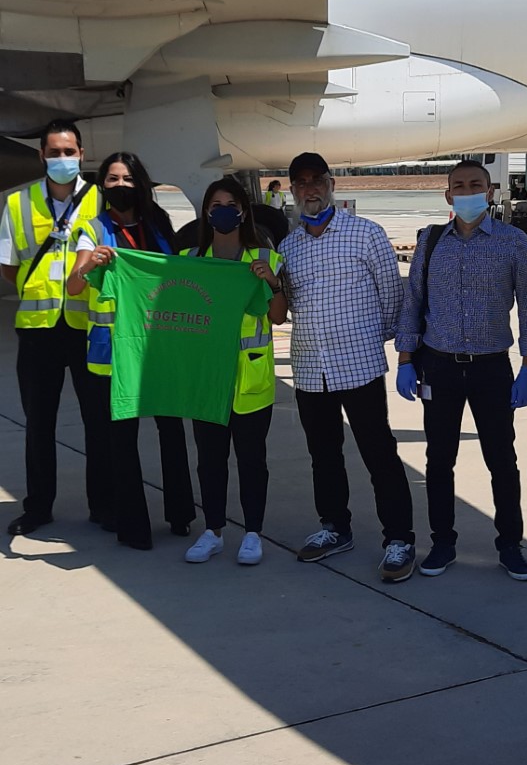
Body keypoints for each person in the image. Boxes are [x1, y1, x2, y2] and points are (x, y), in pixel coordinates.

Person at [395, 160, 527, 580]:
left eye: (475, 185)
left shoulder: (513, 243)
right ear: (447, 195)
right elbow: (414, 303)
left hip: (491, 368)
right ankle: (443, 543)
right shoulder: (430, 241)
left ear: (490, 191)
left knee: (502, 460)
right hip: (439, 367)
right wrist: (406, 360)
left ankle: (510, 544)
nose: (467, 191)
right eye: (458, 186)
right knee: (439, 460)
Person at [278, 152, 416, 582]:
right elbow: (287, 305)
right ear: (293, 191)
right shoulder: (288, 248)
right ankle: (334, 527)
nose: (309, 189)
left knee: (379, 454)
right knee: (324, 455)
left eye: (316, 180)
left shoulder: (366, 235)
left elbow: (392, 295)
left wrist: (378, 340)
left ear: (331, 183)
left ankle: (399, 539)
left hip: (358, 367)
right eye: (300, 183)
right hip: (309, 369)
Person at [68, 152, 196, 550]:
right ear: (101, 185)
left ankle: (180, 513)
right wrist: (88, 266)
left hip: (159, 347)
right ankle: (130, 522)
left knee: (171, 431)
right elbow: (73, 285)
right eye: (111, 180)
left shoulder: (158, 224)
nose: (119, 186)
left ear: (140, 184)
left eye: (126, 179)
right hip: (113, 353)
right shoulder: (92, 229)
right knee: (119, 440)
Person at [1, 119, 107, 535]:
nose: (62, 159)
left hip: (86, 325)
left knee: (98, 420)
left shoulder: (99, 200)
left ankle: (103, 504)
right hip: (38, 327)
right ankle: (38, 506)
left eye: (70, 151)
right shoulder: (18, 203)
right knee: (38, 423)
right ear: (41, 155)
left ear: (81, 154)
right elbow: (9, 269)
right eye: (55, 152)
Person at [180, 179, 287, 566]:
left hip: (250, 380)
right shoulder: (190, 259)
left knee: (251, 459)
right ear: (206, 212)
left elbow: (277, 317)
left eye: (230, 203)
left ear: (243, 211)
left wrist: (271, 283)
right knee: (209, 459)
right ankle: (212, 531)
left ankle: (253, 533)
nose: (223, 210)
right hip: (208, 379)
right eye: (215, 204)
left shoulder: (265, 258)